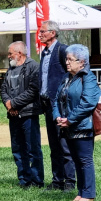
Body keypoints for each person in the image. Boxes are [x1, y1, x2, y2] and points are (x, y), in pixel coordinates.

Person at [52, 44, 101, 201]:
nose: (67, 62)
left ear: (82, 62)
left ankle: (89, 193)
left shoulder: (88, 77)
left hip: (83, 127)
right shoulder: (67, 77)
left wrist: (70, 119)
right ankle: (81, 192)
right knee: (76, 160)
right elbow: (56, 100)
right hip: (68, 127)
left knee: (85, 160)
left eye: (70, 59)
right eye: (66, 59)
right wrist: (57, 116)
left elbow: (88, 103)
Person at [2, 41, 43, 188]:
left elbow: (33, 91)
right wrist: (8, 103)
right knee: (18, 149)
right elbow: (3, 89)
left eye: (10, 53)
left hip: (28, 114)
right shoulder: (11, 68)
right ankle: (24, 180)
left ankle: (37, 180)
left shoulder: (33, 67)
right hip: (13, 115)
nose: (8, 56)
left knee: (32, 149)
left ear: (19, 53)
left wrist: (14, 103)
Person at [39, 20, 75, 191]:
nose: (40, 34)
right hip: (47, 105)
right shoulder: (44, 53)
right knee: (54, 145)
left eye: (43, 31)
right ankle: (57, 181)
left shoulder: (62, 50)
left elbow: (72, 73)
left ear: (52, 33)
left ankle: (69, 182)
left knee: (64, 145)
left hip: (60, 106)